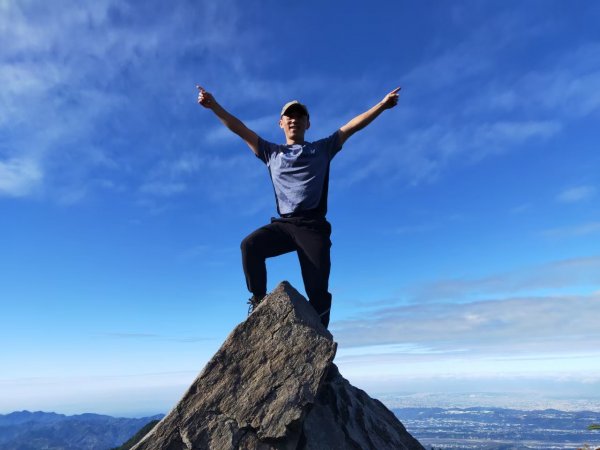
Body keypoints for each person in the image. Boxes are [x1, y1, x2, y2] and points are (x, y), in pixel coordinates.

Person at [197, 85, 400, 328]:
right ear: (281, 123)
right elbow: (239, 128)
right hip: (284, 225)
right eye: (289, 116)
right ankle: (259, 302)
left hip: (313, 227)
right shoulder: (271, 152)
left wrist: (382, 105)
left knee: (317, 291)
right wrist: (214, 106)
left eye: (299, 116)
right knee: (250, 246)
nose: (294, 120)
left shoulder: (323, 149)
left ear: (307, 123)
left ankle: (320, 339)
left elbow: (352, 126)